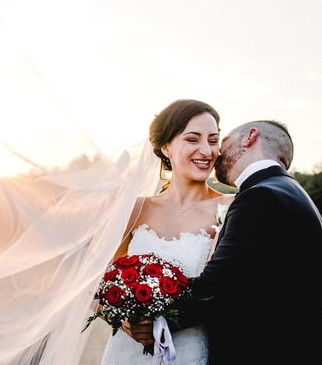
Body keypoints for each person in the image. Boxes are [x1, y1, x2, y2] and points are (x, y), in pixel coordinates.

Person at [128, 120, 322, 364]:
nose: (215, 152)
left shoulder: (259, 196)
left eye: (220, 140)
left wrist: (146, 318)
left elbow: (217, 287)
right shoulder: (290, 192)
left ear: (249, 137)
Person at [101, 99, 234, 365]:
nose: (206, 150)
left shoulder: (230, 208)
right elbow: (100, 286)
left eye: (213, 140)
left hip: (189, 351)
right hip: (126, 353)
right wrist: (124, 320)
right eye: (193, 139)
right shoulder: (137, 208)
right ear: (166, 147)